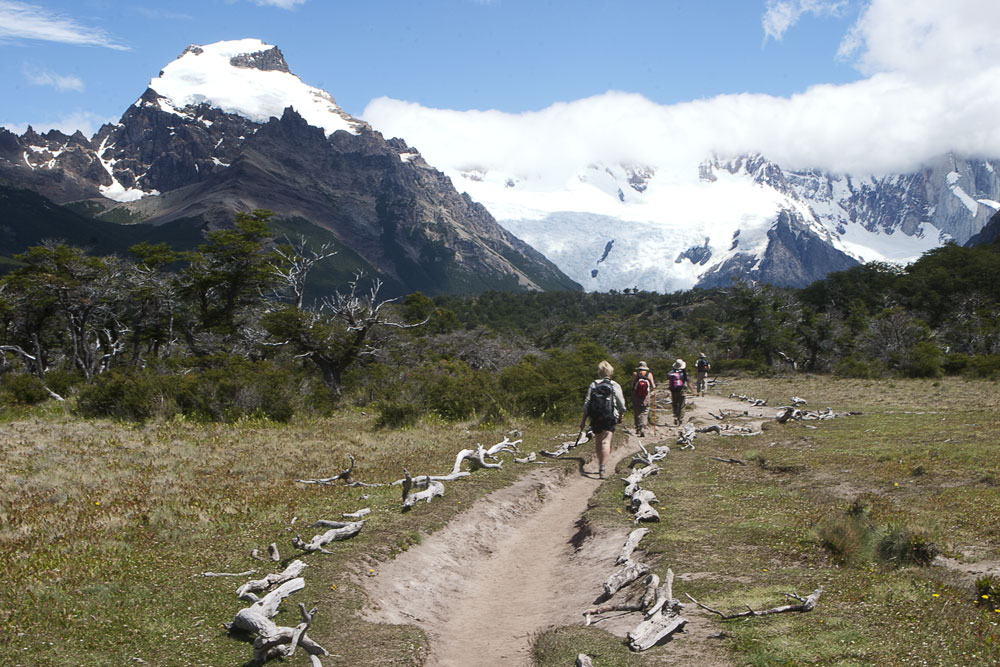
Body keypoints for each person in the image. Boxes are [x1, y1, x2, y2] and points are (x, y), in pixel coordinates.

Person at [580, 360, 626, 479]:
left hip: (595, 416)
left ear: (599, 372)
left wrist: (583, 420)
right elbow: (622, 404)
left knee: (598, 441)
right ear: (611, 372)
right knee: (606, 441)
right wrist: (621, 415)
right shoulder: (614, 385)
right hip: (609, 416)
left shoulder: (594, 384)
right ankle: (602, 468)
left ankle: (600, 464)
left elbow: (587, 403)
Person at [630, 361, 656, 437]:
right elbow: (653, 385)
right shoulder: (649, 374)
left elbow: (632, 384)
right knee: (645, 411)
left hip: (636, 394)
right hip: (646, 395)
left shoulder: (635, 374)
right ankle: (643, 427)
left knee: (637, 411)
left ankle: (638, 428)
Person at [666, 359, 690, 425]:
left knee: (675, 404)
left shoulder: (671, 372)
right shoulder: (684, 373)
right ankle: (681, 418)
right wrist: (692, 390)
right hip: (682, 390)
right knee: (682, 405)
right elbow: (688, 382)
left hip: (673, 390)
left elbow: (668, 377)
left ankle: (675, 416)